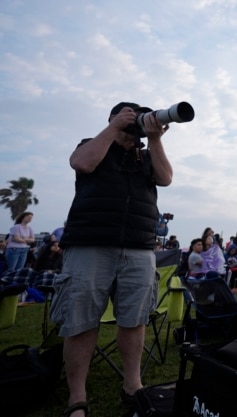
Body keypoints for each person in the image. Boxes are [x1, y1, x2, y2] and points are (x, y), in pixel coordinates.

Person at [49, 101, 173, 417]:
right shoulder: (93, 145)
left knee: (135, 319)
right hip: (90, 243)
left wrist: (155, 138)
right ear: (113, 118)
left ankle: (133, 385)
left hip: (139, 246)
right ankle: (77, 396)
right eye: (131, 116)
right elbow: (82, 163)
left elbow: (166, 178)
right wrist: (114, 127)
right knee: (81, 321)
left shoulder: (145, 156)